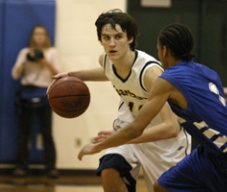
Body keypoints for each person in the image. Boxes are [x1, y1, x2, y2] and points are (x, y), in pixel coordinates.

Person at [78, 23, 227, 192]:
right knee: (164, 186)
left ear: (164, 51)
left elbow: (137, 127)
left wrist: (99, 145)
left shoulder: (167, 80)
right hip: (209, 152)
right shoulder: (207, 72)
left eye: (158, 50)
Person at [51, 9, 191, 192]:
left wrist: (121, 137)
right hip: (132, 132)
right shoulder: (107, 61)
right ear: (100, 40)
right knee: (109, 169)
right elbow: (110, 73)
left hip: (165, 143)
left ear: (130, 39)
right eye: (106, 37)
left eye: (118, 37)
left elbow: (171, 128)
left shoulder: (149, 73)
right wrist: (72, 76)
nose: (112, 43)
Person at [11, 25, 60, 178]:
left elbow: (59, 74)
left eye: (42, 34)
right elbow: (15, 75)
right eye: (36, 34)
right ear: (32, 36)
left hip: (45, 94)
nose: (39, 37)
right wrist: (25, 61)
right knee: (23, 133)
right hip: (26, 93)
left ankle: (50, 168)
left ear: (46, 36)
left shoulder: (52, 52)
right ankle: (21, 167)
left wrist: (45, 61)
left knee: (47, 133)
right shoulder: (25, 52)